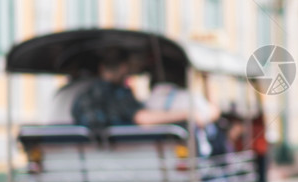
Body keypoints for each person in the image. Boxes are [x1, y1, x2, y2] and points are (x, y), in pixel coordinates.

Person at [71, 47, 208, 130]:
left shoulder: (81, 96)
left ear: (102, 67)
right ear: (124, 67)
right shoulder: (119, 94)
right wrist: (187, 113)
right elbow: (142, 118)